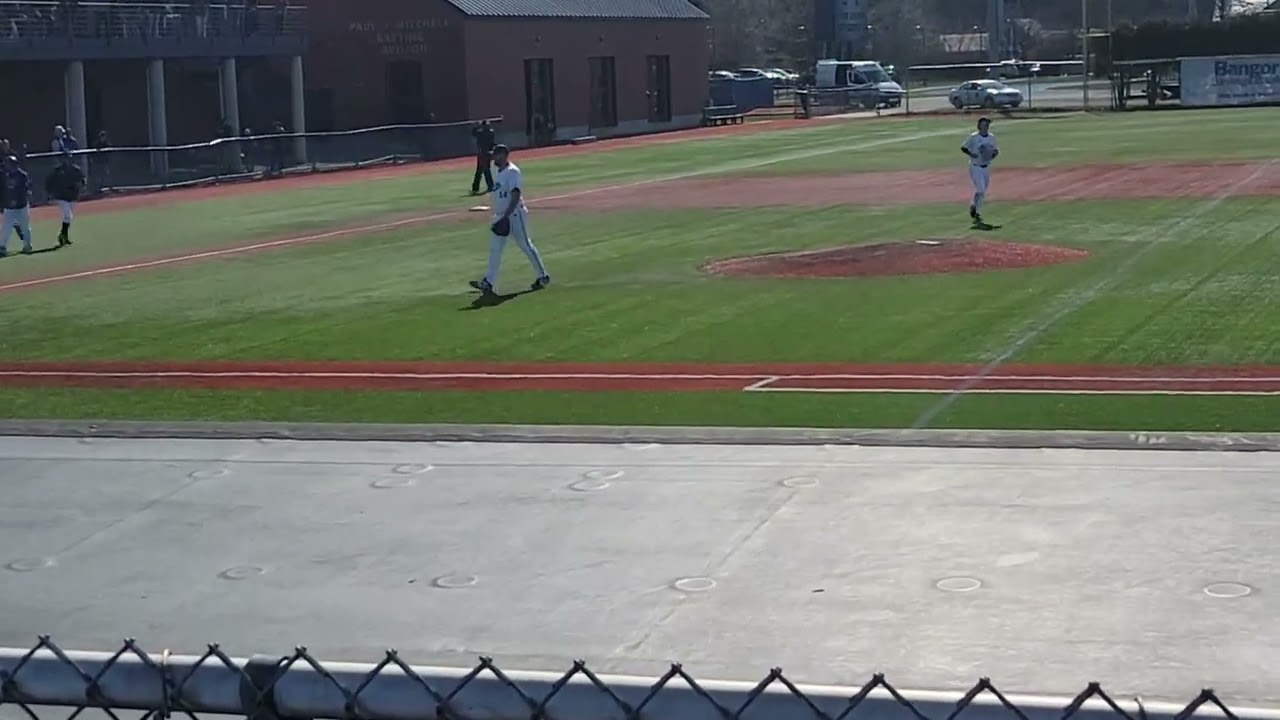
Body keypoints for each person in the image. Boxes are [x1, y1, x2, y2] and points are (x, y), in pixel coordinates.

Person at [469, 145, 550, 294]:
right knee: (495, 250)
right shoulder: (498, 172)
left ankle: (543, 276)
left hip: (514, 215)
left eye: (496, 155)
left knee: (525, 245)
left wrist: (506, 216)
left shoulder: (512, 172)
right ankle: (488, 282)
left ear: (505, 155)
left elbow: (515, 194)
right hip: (500, 216)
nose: (493, 157)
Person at [961, 116, 998, 225]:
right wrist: (972, 154)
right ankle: (974, 208)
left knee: (982, 192)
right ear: (979, 126)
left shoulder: (991, 137)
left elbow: (994, 151)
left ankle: (975, 208)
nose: (987, 126)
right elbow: (963, 147)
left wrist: (993, 155)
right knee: (980, 189)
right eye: (984, 124)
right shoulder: (974, 137)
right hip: (975, 166)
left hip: (986, 167)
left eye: (987, 124)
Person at [45, 151, 85, 246]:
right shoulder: (57, 170)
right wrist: (50, 193)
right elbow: (49, 182)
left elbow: (82, 180)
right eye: (64, 158)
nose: (66, 160)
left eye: (68, 158)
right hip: (61, 196)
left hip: (72, 197)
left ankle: (63, 236)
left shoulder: (76, 170)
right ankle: (63, 236)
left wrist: (82, 187)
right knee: (68, 216)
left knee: (67, 218)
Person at [0, 155, 33, 256]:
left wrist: (17, 199)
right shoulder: (4, 175)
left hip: (22, 205)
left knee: (25, 227)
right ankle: (2, 247)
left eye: (10, 164)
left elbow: (26, 190)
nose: (9, 166)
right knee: (6, 227)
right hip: (9, 207)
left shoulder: (22, 175)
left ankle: (27, 246)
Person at [469, 120, 495, 195]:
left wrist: (476, 126)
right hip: (484, 154)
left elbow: (474, 133)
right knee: (481, 171)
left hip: (484, 154)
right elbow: (474, 133)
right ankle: (476, 188)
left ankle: (489, 186)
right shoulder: (489, 132)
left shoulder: (483, 133)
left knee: (485, 170)